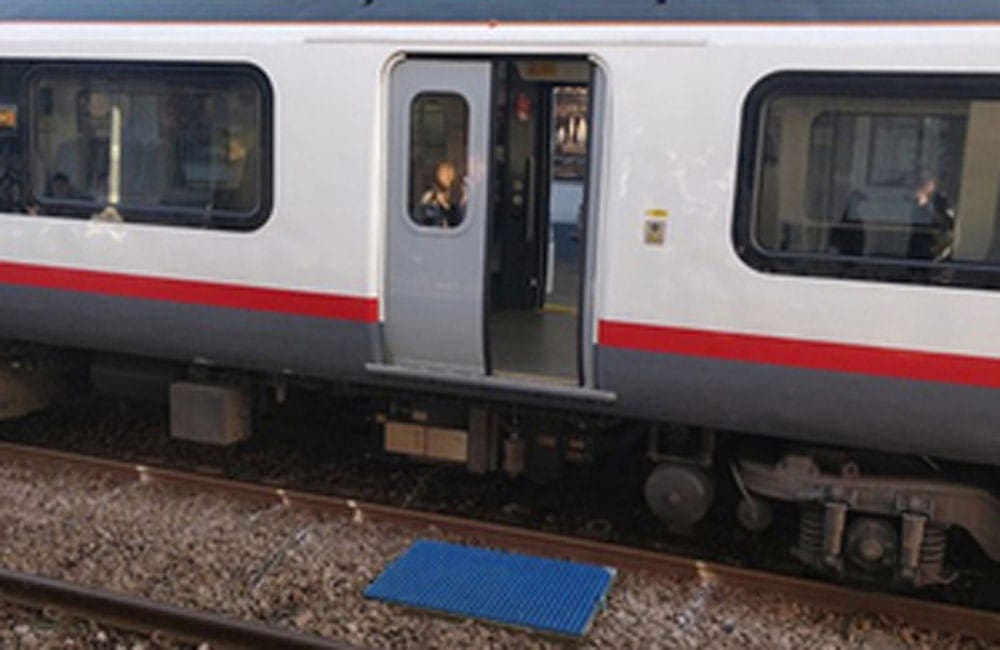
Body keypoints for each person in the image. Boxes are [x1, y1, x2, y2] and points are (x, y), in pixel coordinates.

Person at [909, 171, 955, 261]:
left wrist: (926, 206)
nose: (921, 186)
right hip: (916, 240)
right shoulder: (916, 198)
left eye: (925, 182)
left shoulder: (940, 199)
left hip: (933, 242)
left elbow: (947, 223)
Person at [417, 161, 465, 228]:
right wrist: (427, 204)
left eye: (450, 172)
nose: (447, 176)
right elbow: (422, 218)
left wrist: (445, 205)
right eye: (443, 173)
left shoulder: (459, 193)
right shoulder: (430, 195)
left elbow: (459, 220)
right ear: (437, 175)